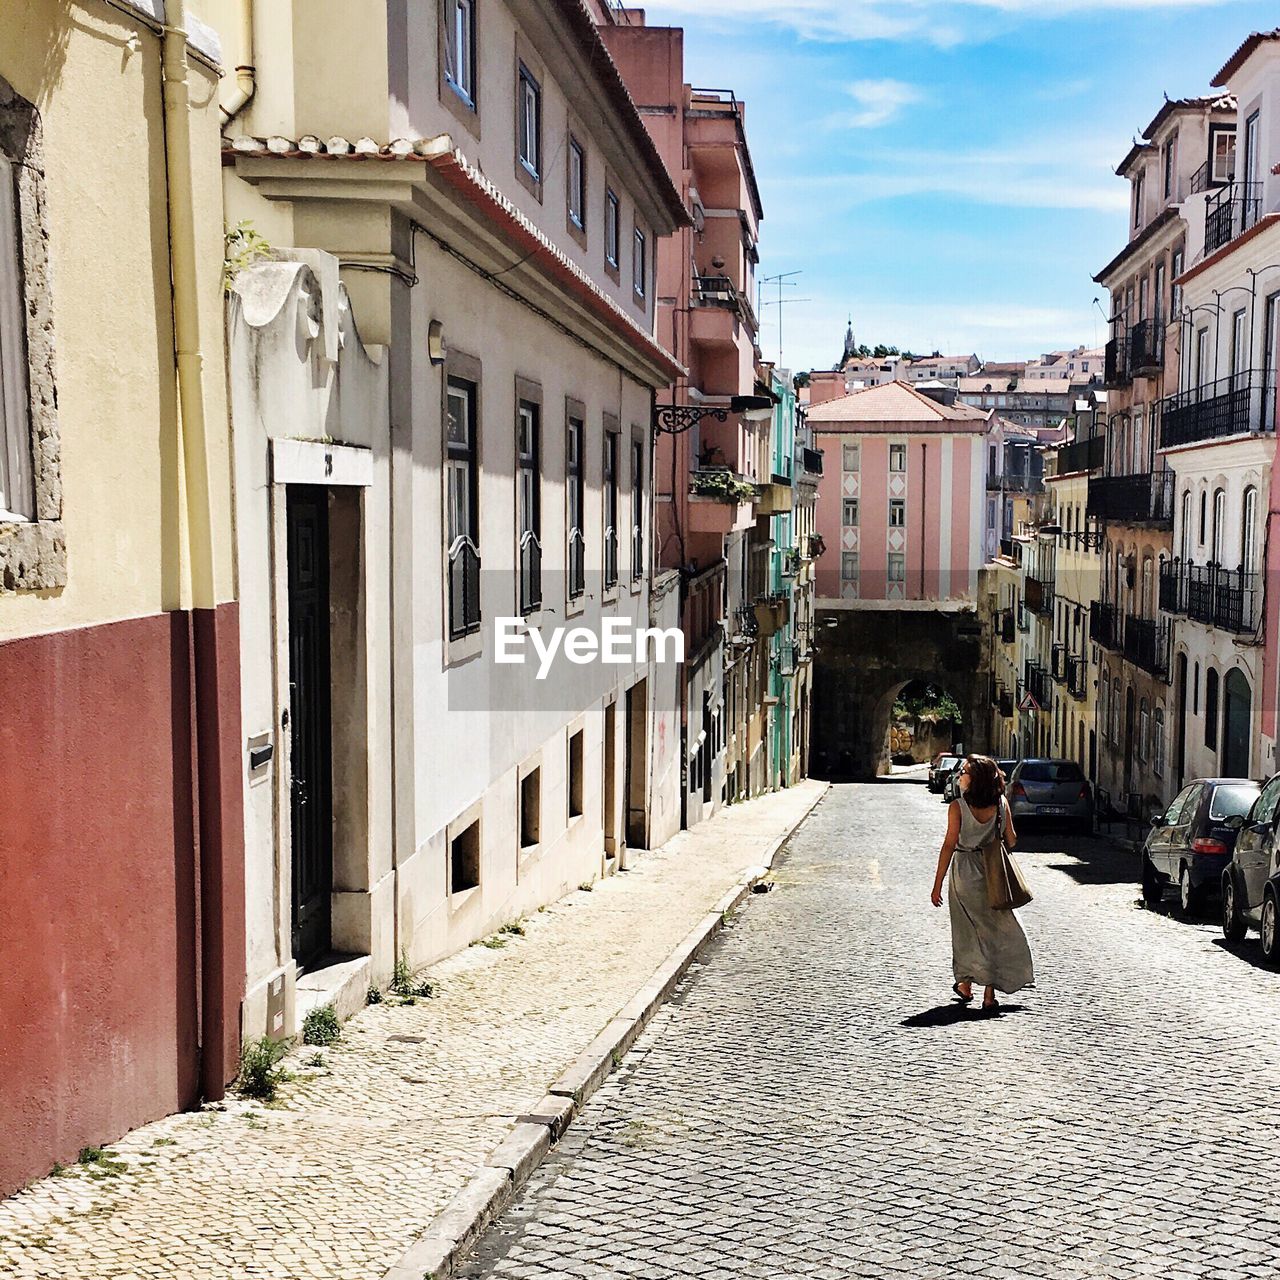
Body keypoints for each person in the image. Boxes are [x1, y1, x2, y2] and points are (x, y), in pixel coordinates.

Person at [929, 754, 1033, 1013]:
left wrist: (937, 883)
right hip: (993, 872)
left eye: (964, 772)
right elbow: (1012, 839)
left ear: (975, 780)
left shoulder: (957, 807)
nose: (960, 776)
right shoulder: (1001, 804)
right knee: (994, 931)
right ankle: (989, 994)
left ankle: (965, 984)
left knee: (967, 930)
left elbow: (949, 846)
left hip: (964, 872)